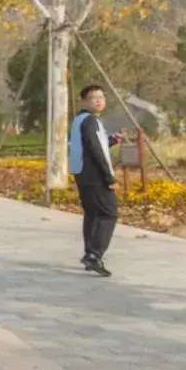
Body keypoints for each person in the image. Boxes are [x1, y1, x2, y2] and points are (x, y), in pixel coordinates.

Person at [70, 84, 121, 278]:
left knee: (93, 215)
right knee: (109, 214)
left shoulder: (81, 119)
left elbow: (94, 144)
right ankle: (94, 255)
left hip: (83, 174)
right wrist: (109, 177)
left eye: (101, 97)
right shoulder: (91, 120)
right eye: (93, 97)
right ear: (84, 101)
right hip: (96, 176)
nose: (99, 100)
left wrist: (112, 140)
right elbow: (95, 149)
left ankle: (90, 254)